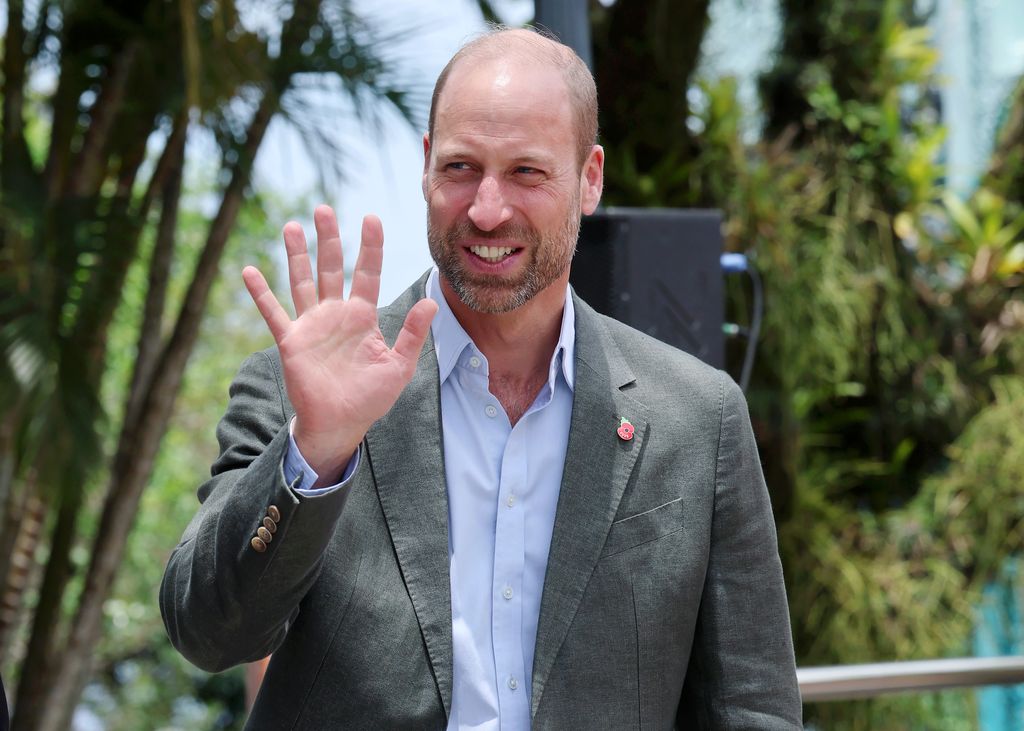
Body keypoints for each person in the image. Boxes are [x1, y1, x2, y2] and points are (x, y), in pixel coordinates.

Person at [161, 27, 802, 729]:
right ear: (427, 164)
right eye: (462, 167)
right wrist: (317, 452)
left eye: (527, 172)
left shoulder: (697, 418)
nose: (487, 209)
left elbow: (751, 707)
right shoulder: (302, 395)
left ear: (590, 179)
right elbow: (208, 633)